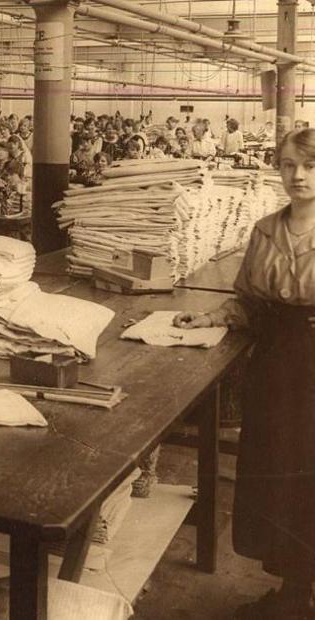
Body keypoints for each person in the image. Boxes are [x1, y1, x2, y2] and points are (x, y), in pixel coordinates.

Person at [173, 128, 315, 620]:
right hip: (278, 369)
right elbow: (250, 303)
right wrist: (210, 317)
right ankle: (294, 593)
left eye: (310, 166)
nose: (298, 175)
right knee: (281, 479)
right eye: (290, 165)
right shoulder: (265, 231)